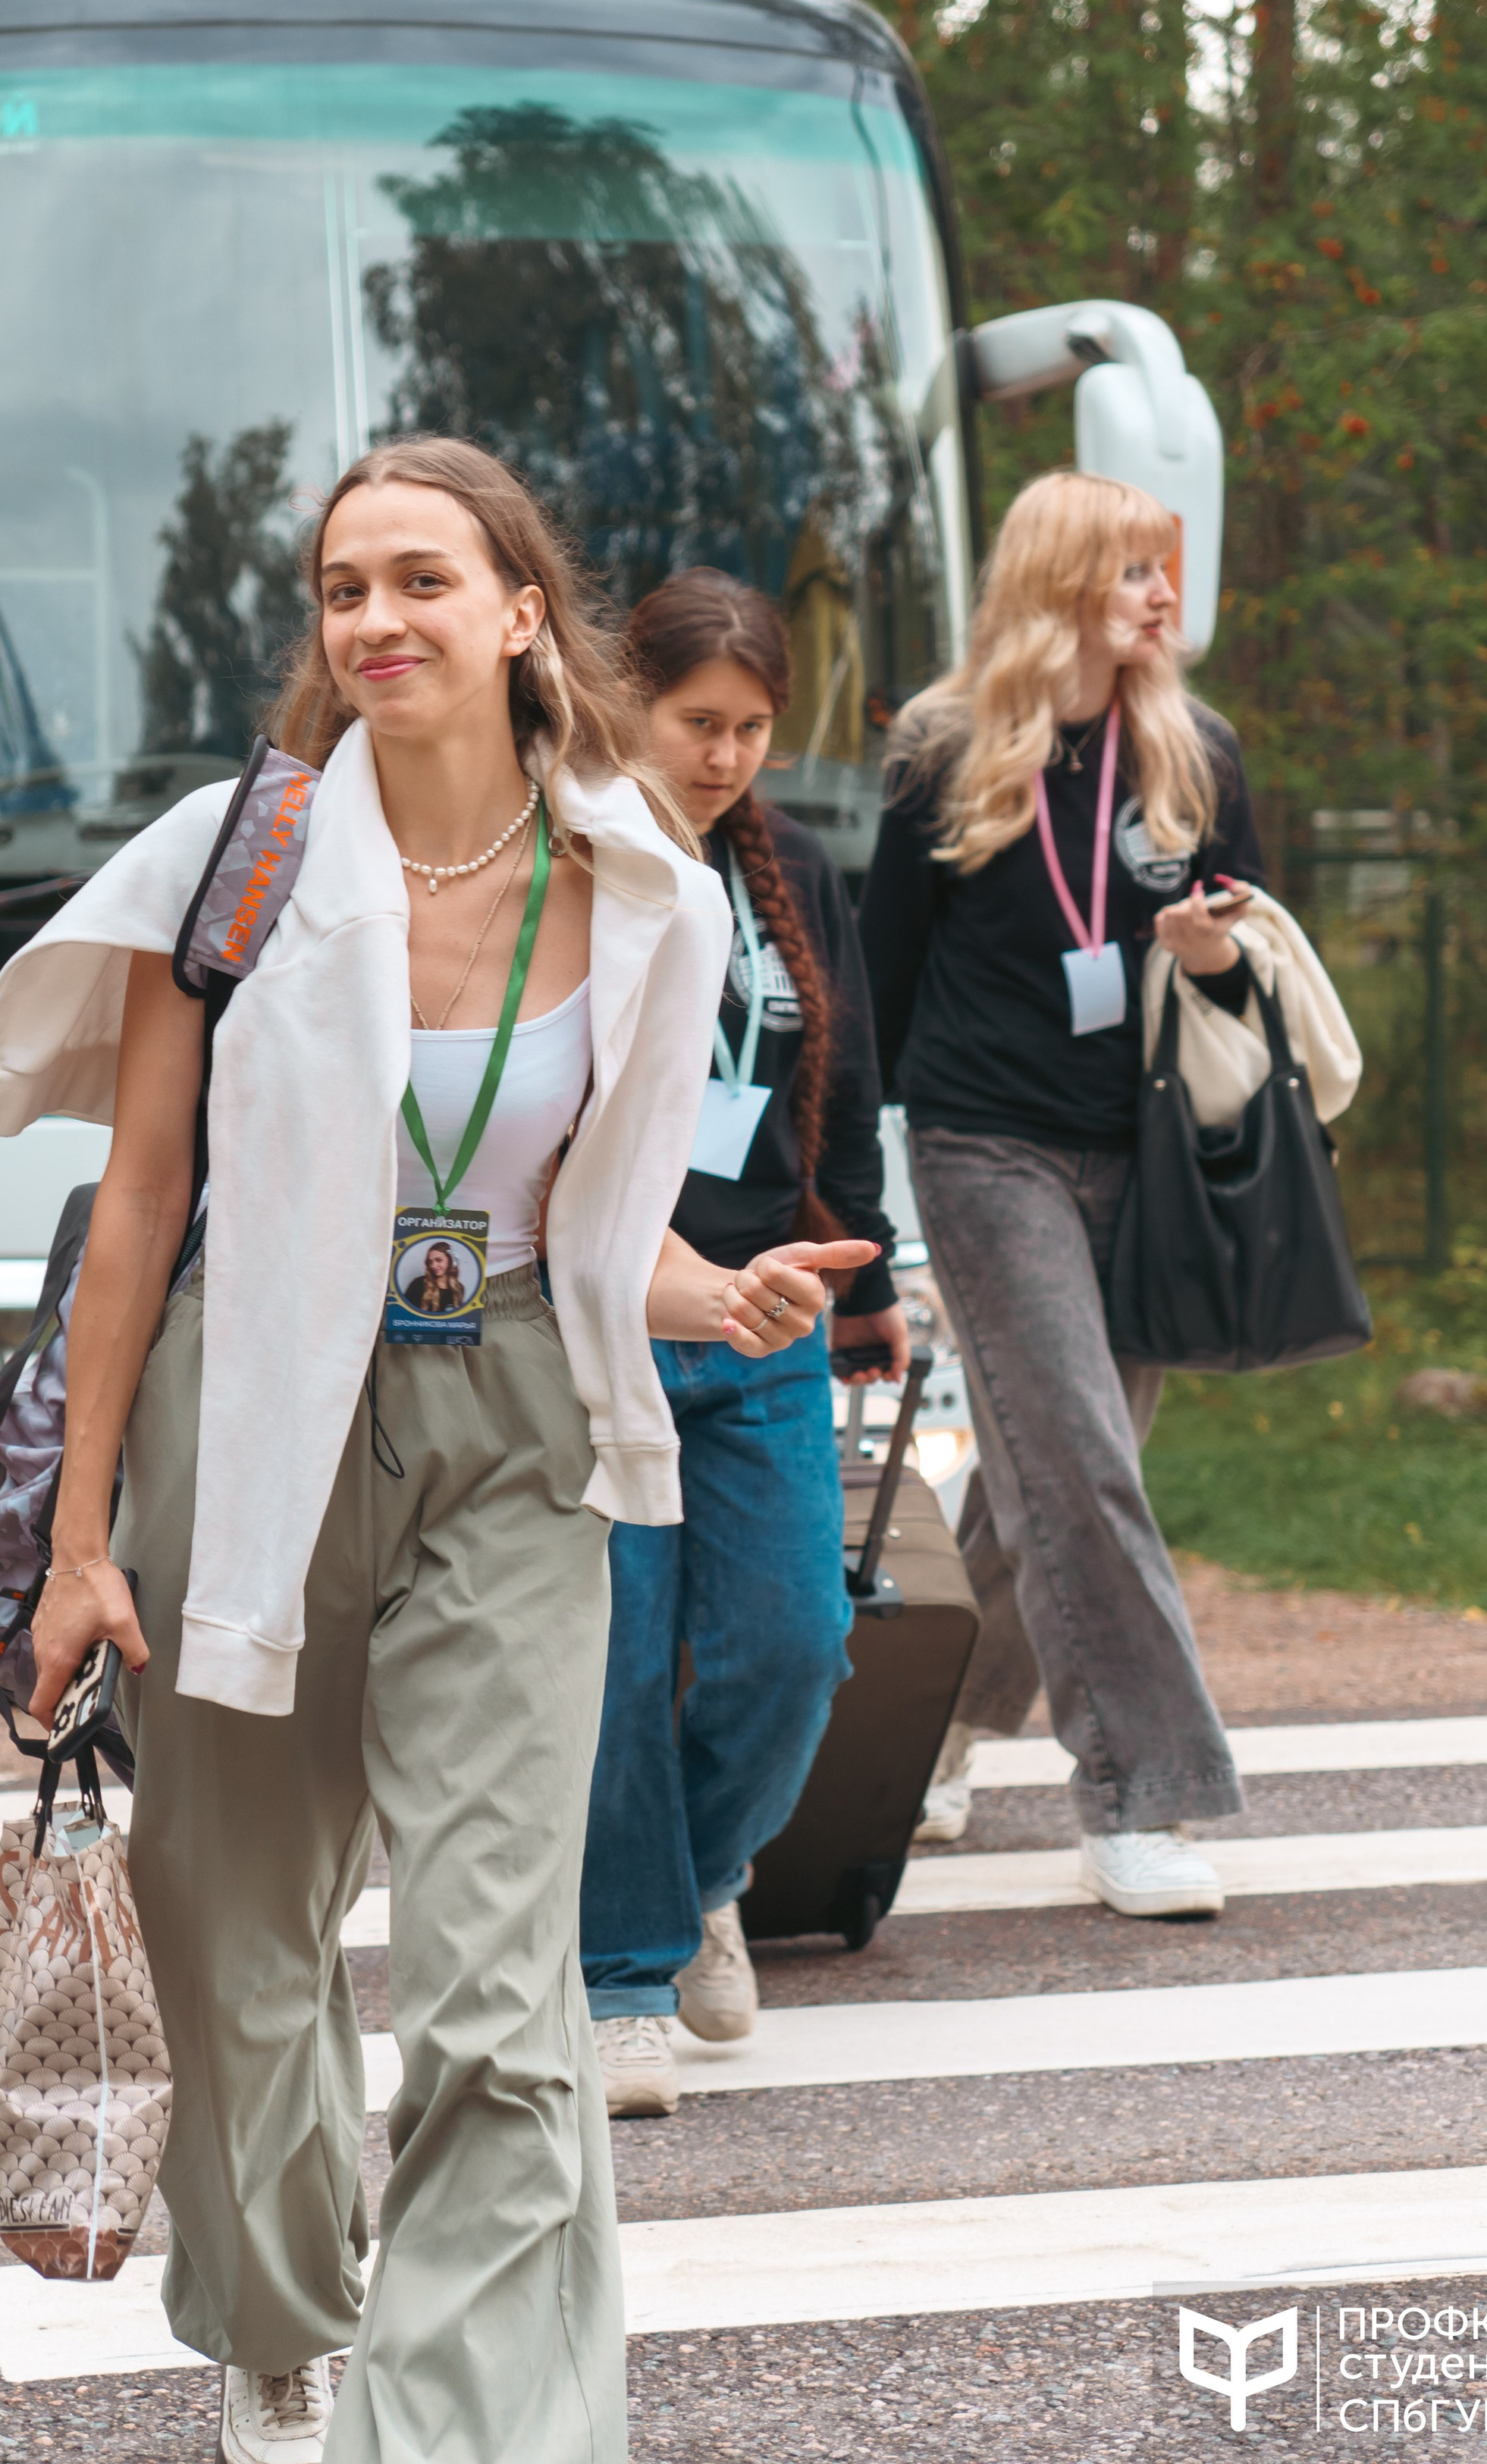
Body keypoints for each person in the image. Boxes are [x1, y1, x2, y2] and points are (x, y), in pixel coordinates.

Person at [0, 437, 877, 2464]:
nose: (375, 620)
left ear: (523, 612)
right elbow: (139, 1210)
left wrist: (705, 1297)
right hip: (248, 1413)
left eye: (420, 582)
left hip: (509, 1430)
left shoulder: (642, 879)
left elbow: (581, 1216)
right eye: (340, 590)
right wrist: (80, 1534)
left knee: (493, 1987)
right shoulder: (245, 860)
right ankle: (281, 2317)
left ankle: (454, 2426)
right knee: (240, 1938)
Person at [856, 471, 1261, 1918]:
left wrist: (1217, 952)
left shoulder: (1194, 749)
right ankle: (1142, 1796)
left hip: (1148, 1154)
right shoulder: (946, 747)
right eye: (1143, 572)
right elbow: (879, 975)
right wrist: (858, 1185)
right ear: (1066, 579)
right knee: (1078, 1461)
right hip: (986, 1150)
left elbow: (1263, 958)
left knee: (1054, 1475)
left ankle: (927, 1739)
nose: (1167, 597)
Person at [579, 568, 907, 2118]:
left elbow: (832, 1097)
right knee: (620, 1661)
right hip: (611, 1315)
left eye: (750, 730)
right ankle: (621, 1976)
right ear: (622, 706)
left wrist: (867, 1281)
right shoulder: (572, 865)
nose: (720, 757)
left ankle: (698, 1878)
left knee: (795, 1646)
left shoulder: (794, 876)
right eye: (694, 723)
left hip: (768, 1311)